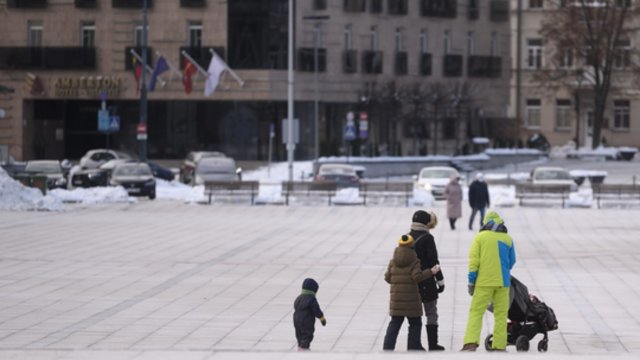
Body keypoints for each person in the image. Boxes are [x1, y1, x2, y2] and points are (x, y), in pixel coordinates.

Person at [461, 211, 516, 352]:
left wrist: (471, 281)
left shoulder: (480, 237)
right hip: (503, 283)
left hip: (483, 283)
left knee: (476, 312)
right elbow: (512, 261)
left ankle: (470, 343)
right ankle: (499, 345)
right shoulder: (508, 239)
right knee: (501, 314)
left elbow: (474, 262)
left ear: (486, 223)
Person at [383, 234, 441, 351]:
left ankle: (387, 347)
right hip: (411, 301)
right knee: (415, 323)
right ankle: (413, 347)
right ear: (411, 246)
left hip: (397, 300)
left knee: (395, 322)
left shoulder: (393, 261)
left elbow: (387, 278)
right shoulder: (414, 261)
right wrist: (431, 272)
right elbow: (417, 277)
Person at [409, 210, 446, 351]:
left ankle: (415, 344)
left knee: (415, 314)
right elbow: (433, 261)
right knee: (431, 312)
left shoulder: (407, 237)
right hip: (427, 280)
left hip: (412, 282)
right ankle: (433, 344)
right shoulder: (427, 238)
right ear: (426, 223)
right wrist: (440, 280)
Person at [293, 278, 326, 351]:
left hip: (296, 319)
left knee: (299, 334)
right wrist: (322, 318)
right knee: (307, 334)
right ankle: (304, 348)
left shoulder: (298, 298)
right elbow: (316, 310)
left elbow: (295, 306)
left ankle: (300, 346)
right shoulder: (311, 299)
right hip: (306, 320)